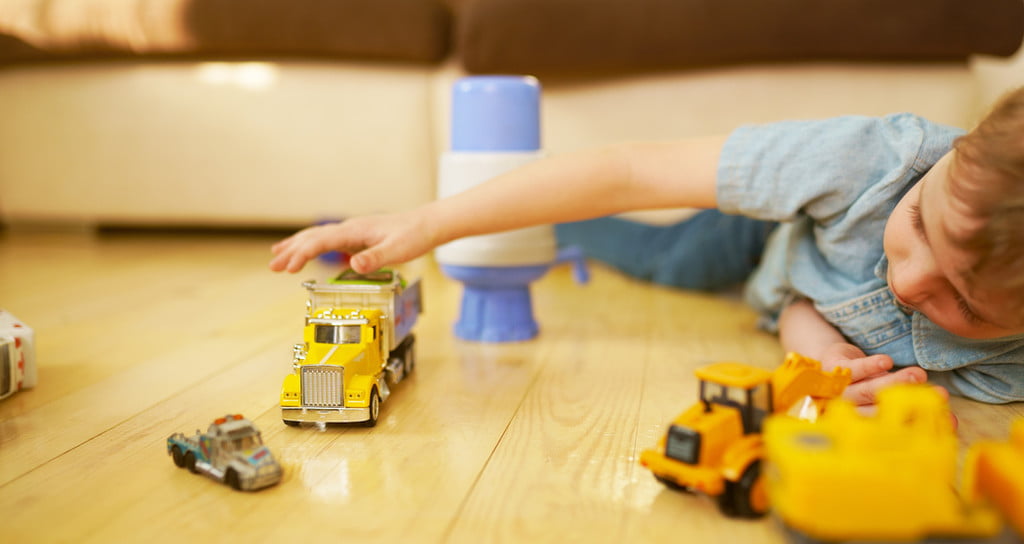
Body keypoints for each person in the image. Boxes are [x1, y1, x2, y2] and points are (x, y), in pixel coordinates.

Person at [270, 88, 1024, 406]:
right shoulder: (870, 160)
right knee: (673, 260)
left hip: (798, 287)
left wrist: (828, 366)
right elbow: (631, 171)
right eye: (920, 221)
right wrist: (427, 223)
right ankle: (531, 222)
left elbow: (796, 305)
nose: (908, 280)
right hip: (777, 225)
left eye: (960, 299)